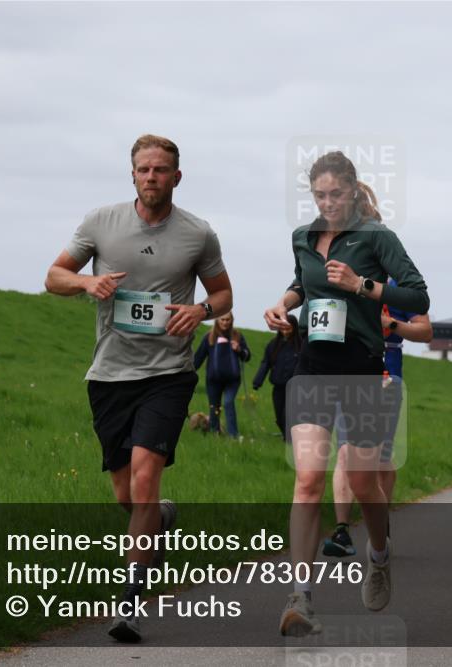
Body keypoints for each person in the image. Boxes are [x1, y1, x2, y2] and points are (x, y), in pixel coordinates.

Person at [44, 134, 232, 643]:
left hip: (168, 373)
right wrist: (87, 283)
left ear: (177, 176)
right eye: (144, 169)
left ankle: (128, 604)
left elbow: (222, 294)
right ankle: (160, 519)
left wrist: (200, 310)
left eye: (161, 169)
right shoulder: (100, 223)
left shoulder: (198, 234)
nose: (152, 177)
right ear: (132, 175)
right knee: (128, 496)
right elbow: (54, 276)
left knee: (146, 479)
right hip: (110, 374)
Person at [264, 151, 429, 636]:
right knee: (308, 479)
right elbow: (303, 282)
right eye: (319, 195)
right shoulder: (303, 236)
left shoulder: (378, 238)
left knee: (361, 483)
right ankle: (301, 597)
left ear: (354, 190)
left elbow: (418, 296)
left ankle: (379, 553)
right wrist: (283, 305)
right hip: (312, 367)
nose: (328, 202)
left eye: (336, 193)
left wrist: (363, 285)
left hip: (361, 369)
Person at [324, 290, 433, 557]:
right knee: (345, 452)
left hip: (387, 379)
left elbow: (425, 332)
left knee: (381, 459)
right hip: (348, 374)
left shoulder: (400, 288)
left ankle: (380, 527)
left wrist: (390, 324)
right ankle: (341, 531)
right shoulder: (345, 282)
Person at [193, 312, 251, 438]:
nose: (225, 322)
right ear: (217, 320)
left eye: (227, 320)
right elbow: (198, 358)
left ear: (232, 320)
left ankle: (233, 435)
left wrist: (239, 350)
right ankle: (215, 433)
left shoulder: (237, 336)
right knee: (214, 407)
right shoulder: (209, 337)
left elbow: (247, 356)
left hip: (232, 380)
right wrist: (189, 373)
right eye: (222, 319)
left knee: (228, 403)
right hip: (213, 380)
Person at [252, 314, 302, 440]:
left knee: (287, 416)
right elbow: (265, 363)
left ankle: (290, 441)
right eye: (283, 328)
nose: (285, 331)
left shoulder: (301, 345)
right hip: (278, 387)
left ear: (294, 328)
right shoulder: (273, 345)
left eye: (288, 328)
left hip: (295, 388)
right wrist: (257, 381)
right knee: (279, 418)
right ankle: (287, 437)